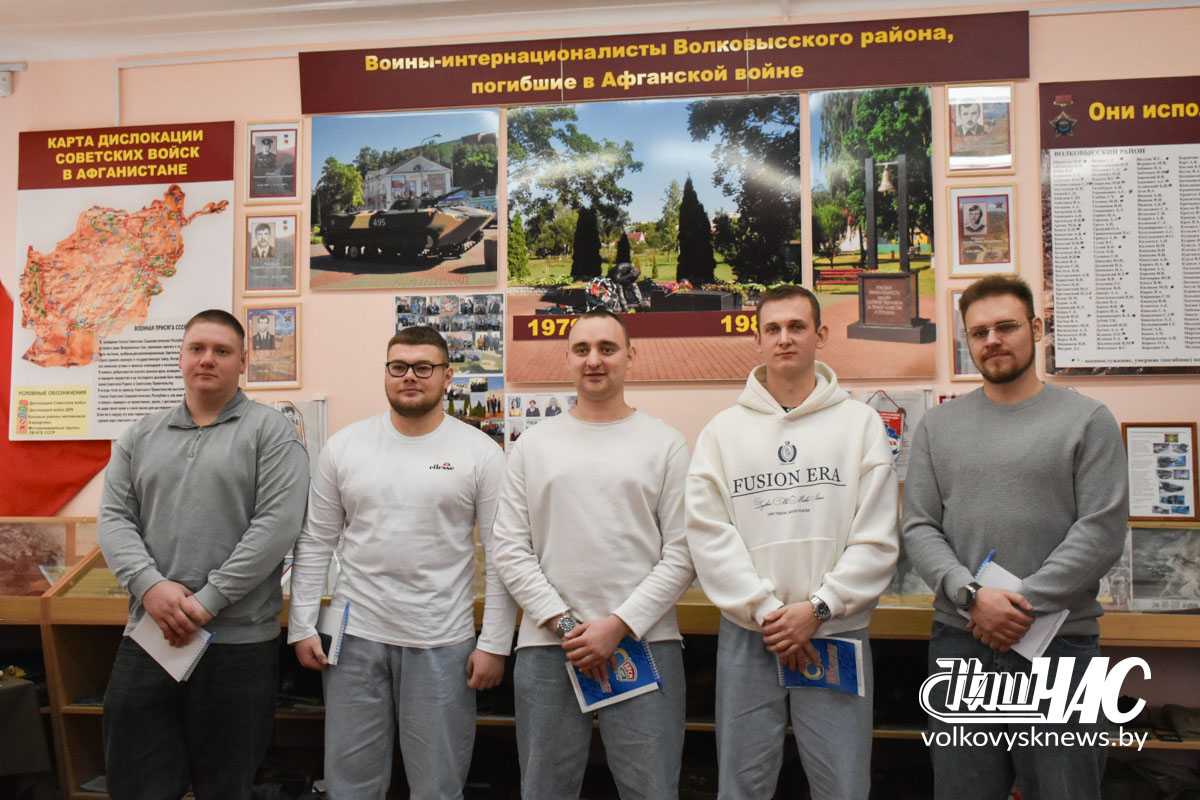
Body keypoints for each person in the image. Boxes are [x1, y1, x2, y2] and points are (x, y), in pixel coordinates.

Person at [902, 276, 1128, 800]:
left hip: (1060, 645)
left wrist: (1018, 607)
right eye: (978, 332)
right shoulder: (938, 427)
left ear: (1037, 328)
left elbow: (1101, 531)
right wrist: (972, 598)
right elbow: (919, 526)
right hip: (962, 642)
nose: (993, 340)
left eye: (1006, 326)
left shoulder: (1087, 420)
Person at [686, 284, 899, 800]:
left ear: (820, 335)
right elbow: (709, 535)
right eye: (773, 328)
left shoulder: (860, 424)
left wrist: (819, 607)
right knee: (742, 784)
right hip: (751, 633)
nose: (784, 338)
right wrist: (767, 612)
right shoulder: (722, 432)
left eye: (797, 327)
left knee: (843, 784)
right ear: (758, 339)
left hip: (835, 629)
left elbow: (877, 536)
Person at [288, 325, 517, 799]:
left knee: (438, 785)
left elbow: (502, 554)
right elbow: (316, 540)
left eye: (423, 367)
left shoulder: (479, 452)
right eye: (398, 367)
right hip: (352, 638)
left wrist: (495, 643)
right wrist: (302, 625)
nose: (409, 376)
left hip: (441, 639)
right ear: (386, 373)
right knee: (350, 785)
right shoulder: (345, 447)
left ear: (447, 376)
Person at [97, 309, 309, 800]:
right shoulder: (139, 435)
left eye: (222, 351)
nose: (207, 359)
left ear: (243, 362)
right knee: (136, 783)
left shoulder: (272, 432)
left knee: (227, 786)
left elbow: (276, 527)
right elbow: (114, 520)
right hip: (149, 637)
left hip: (237, 644)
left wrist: (207, 601)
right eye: (197, 349)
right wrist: (150, 586)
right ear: (181, 357)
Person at [492, 308, 694, 799]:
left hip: (644, 642)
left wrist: (619, 624)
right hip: (550, 645)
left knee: (652, 789)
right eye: (582, 350)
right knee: (545, 789)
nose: (594, 360)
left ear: (630, 356)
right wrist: (566, 625)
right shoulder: (533, 445)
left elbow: (684, 552)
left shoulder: (666, 443)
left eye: (607, 348)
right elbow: (510, 547)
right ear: (567, 359)